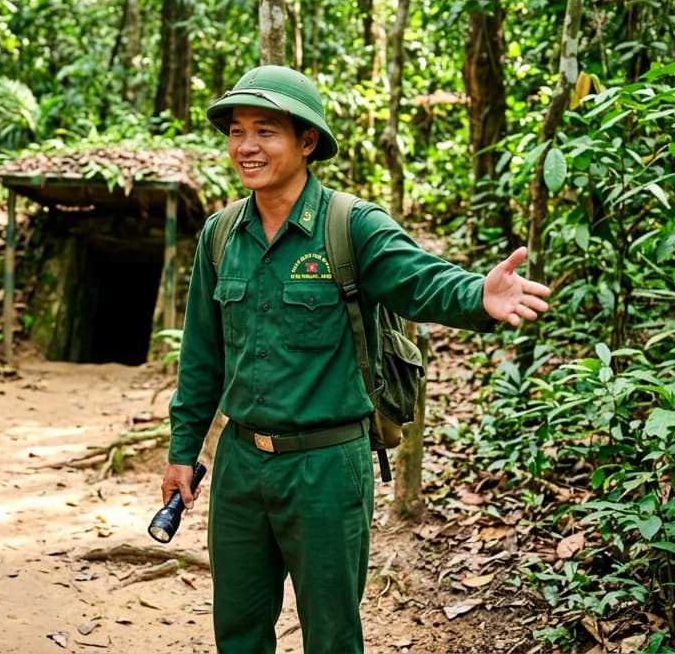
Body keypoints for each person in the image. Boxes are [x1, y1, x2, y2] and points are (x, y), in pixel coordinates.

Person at [159, 65, 552, 654]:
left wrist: (479, 295)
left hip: (326, 467)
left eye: (265, 131)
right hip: (240, 465)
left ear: (307, 141)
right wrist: (182, 453)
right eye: (236, 131)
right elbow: (201, 359)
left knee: (332, 635)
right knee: (237, 633)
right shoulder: (220, 235)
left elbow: (421, 281)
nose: (246, 146)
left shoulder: (351, 226)